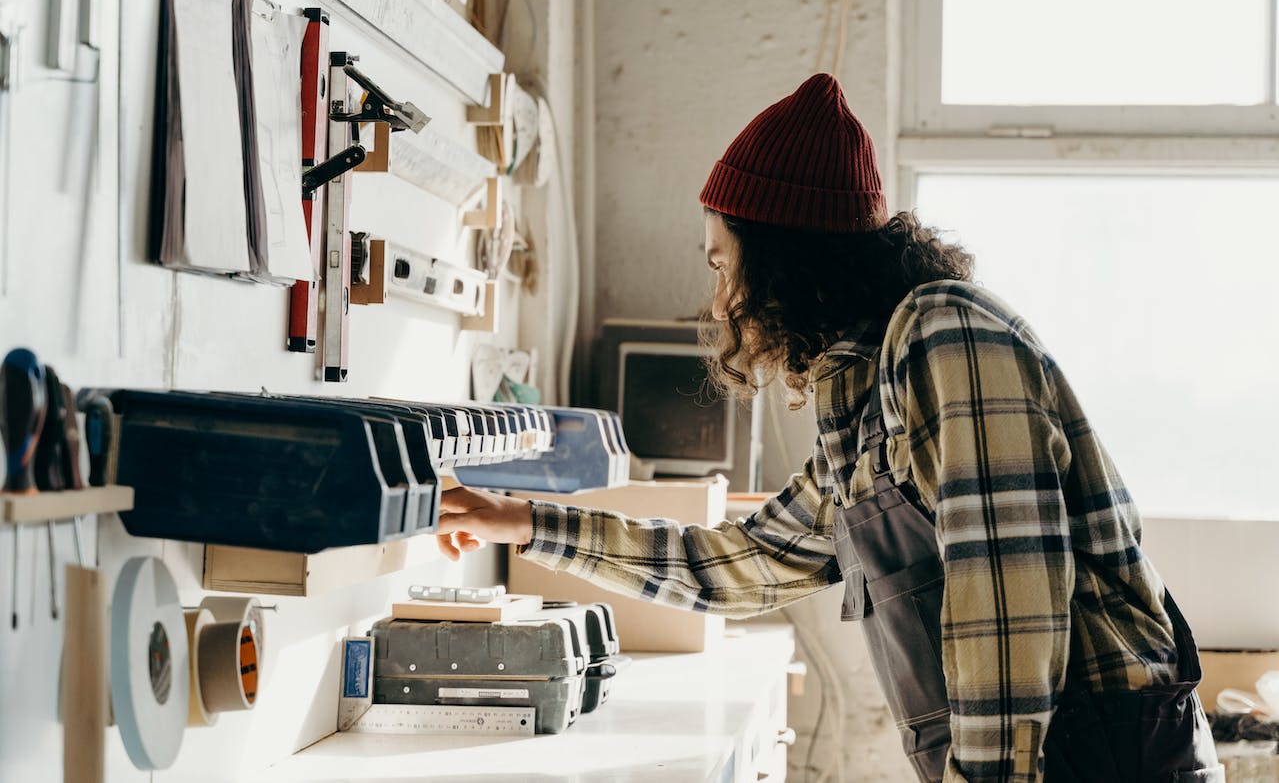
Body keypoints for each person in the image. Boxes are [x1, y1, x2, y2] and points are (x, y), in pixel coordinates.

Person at [434, 74, 1223, 783]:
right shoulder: (863, 390)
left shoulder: (943, 334)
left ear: (779, 255)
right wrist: (528, 522)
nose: (717, 302)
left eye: (720, 263)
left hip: (1105, 758)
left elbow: (1007, 613)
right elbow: (744, 561)